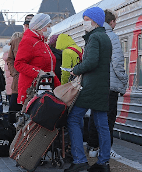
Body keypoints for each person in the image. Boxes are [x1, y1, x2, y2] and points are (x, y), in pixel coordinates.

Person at [64, 7, 112, 172]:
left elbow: (91, 62)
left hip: (90, 87)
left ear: (94, 20)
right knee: (101, 124)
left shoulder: (94, 38)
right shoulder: (105, 37)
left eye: (85, 19)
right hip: (102, 86)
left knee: (73, 119)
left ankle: (79, 160)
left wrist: (75, 70)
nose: (84, 22)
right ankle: (103, 163)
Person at [87, 9, 128, 160]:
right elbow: (117, 63)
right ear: (111, 22)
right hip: (109, 85)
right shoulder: (112, 37)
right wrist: (124, 80)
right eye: (115, 21)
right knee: (108, 119)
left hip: (96, 85)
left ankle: (92, 148)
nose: (116, 24)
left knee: (95, 116)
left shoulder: (93, 36)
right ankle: (106, 149)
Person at [14, 13, 60, 105]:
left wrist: (58, 87)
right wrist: (38, 72)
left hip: (45, 88)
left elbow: (49, 70)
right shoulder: (29, 41)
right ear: (40, 27)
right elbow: (18, 64)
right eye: (48, 26)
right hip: (32, 89)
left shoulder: (43, 43)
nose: (50, 28)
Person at [7, 14, 34, 117]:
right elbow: (10, 59)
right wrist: (15, 73)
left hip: (32, 83)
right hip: (18, 83)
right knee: (14, 110)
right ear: (24, 26)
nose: (27, 27)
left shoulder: (38, 41)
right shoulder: (15, 42)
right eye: (26, 25)